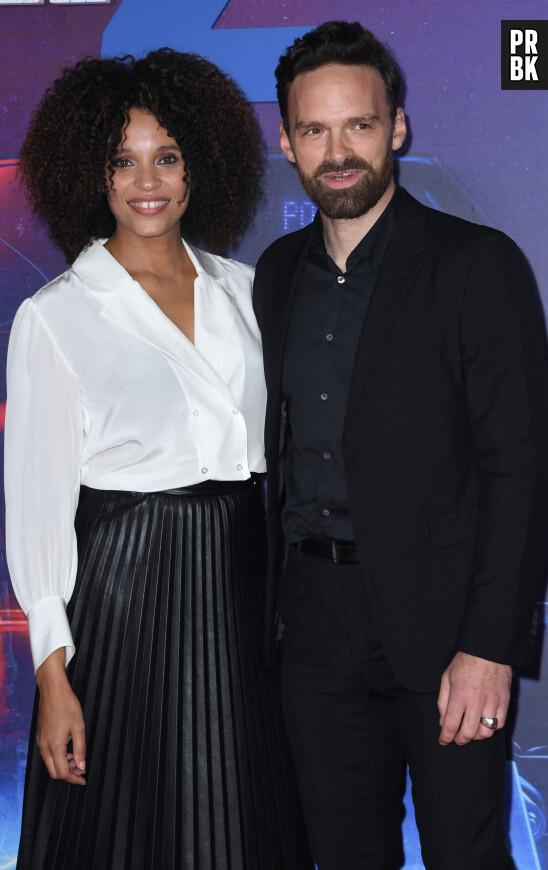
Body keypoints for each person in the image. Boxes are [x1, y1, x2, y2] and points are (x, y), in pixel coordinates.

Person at [252, 19, 548, 870]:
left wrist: (491, 646)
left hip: (446, 625)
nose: (338, 151)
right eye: (315, 129)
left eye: (360, 125)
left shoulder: (477, 265)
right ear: (287, 139)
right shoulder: (273, 276)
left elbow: (519, 468)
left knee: (465, 853)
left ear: (398, 127)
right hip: (311, 626)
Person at [5, 49, 311, 870]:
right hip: (123, 600)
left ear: (199, 165)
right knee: (122, 834)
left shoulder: (247, 291)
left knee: (246, 825)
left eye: (167, 156)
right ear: (92, 175)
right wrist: (54, 680)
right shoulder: (55, 316)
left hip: (244, 598)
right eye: (123, 159)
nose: (149, 180)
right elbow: (36, 517)